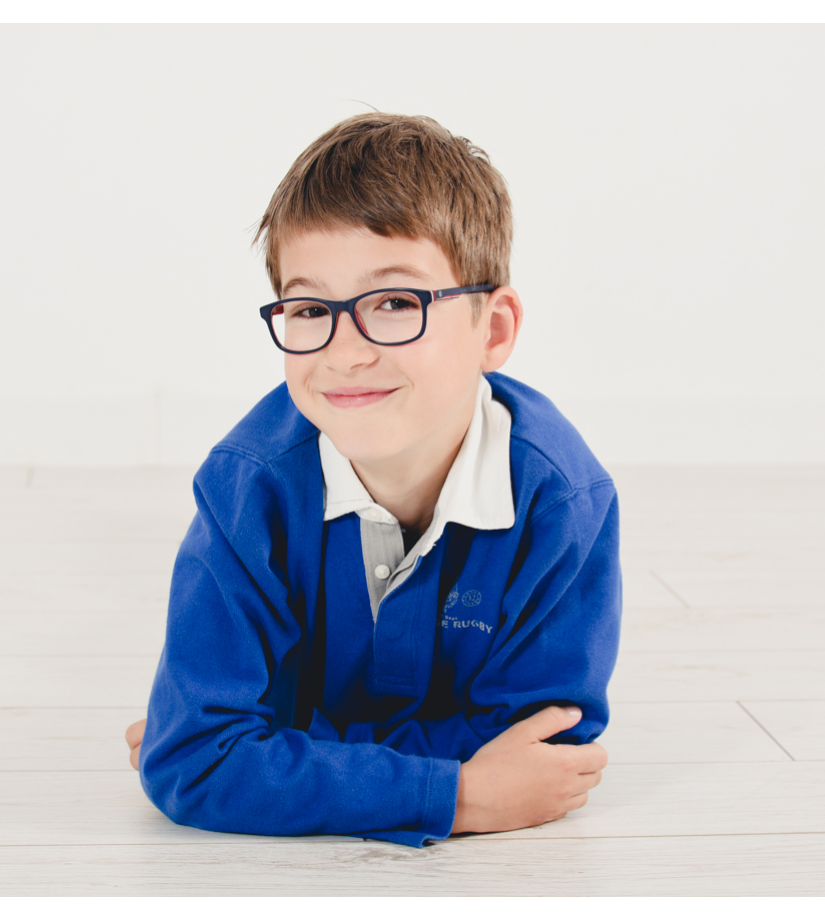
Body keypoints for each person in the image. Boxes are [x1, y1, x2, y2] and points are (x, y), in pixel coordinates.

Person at [128, 114, 616, 845]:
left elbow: (543, 756)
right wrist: (459, 797)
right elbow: (193, 763)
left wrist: (274, 749)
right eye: (310, 308)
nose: (346, 352)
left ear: (494, 329)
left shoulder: (562, 502)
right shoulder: (246, 489)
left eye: (395, 303)